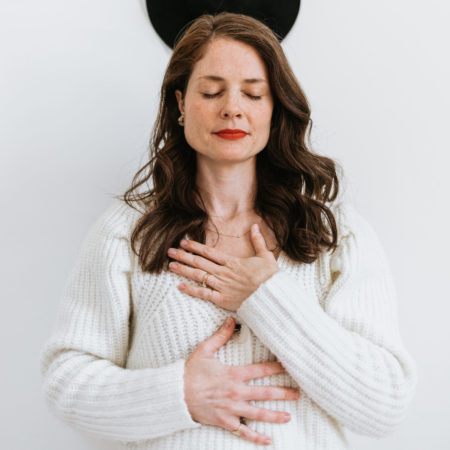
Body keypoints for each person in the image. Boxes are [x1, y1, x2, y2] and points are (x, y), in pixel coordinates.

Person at [40, 12, 418, 449]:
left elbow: (384, 404)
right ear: (181, 104)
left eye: (253, 94)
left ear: (275, 108)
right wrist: (180, 394)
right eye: (211, 91)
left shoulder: (335, 233)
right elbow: (66, 381)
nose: (232, 108)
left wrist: (267, 298)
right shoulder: (127, 232)